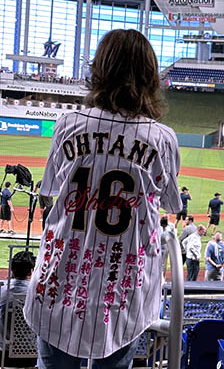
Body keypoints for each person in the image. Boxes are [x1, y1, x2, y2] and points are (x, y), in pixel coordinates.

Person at [23, 29, 182, 369]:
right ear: (149, 76)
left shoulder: (68, 123)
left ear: (99, 70)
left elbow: (49, 187)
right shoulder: (162, 138)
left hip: (61, 277)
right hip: (124, 287)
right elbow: (172, 203)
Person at [0, 251, 36, 367]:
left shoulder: (2, 292)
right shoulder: (37, 295)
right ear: (31, 272)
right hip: (30, 355)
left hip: (2, 354)